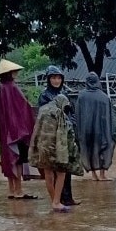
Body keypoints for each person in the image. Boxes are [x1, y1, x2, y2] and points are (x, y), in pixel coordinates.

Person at [0, 59, 37, 200]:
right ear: (9, 73)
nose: (16, 73)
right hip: (16, 131)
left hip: (5, 129)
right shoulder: (12, 87)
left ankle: (11, 189)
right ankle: (18, 190)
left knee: (8, 158)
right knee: (17, 160)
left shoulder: (0, 88)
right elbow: (23, 107)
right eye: (14, 71)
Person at [29, 94, 81, 212]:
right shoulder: (59, 113)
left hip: (43, 147)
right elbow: (63, 132)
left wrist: (34, 148)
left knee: (48, 175)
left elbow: (36, 130)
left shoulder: (42, 110)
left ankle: (54, 200)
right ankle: (57, 202)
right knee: (61, 173)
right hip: (55, 147)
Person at [38, 65, 79, 206]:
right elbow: (45, 115)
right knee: (51, 171)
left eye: (59, 78)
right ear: (48, 79)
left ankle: (66, 198)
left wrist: (71, 126)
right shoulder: (44, 96)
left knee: (64, 169)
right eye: (53, 78)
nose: (56, 80)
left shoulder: (64, 94)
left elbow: (71, 113)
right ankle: (56, 200)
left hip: (64, 135)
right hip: (49, 136)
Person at [76, 72, 116, 181]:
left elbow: (77, 114)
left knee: (89, 150)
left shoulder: (81, 96)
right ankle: (102, 175)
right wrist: (112, 131)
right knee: (103, 150)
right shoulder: (104, 97)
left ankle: (94, 175)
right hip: (102, 130)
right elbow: (109, 116)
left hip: (86, 130)